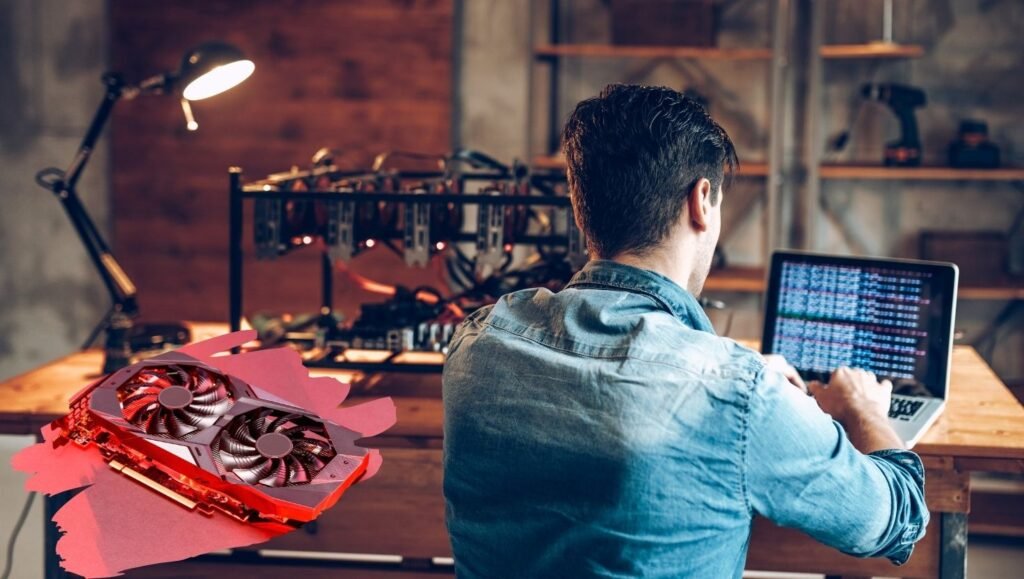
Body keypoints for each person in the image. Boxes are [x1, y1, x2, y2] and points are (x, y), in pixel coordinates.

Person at [442, 84, 928, 578]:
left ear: (580, 204)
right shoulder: (738, 393)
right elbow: (895, 519)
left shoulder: (479, 342)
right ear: (701, 201)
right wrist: (864, 410)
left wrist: (725, 369)